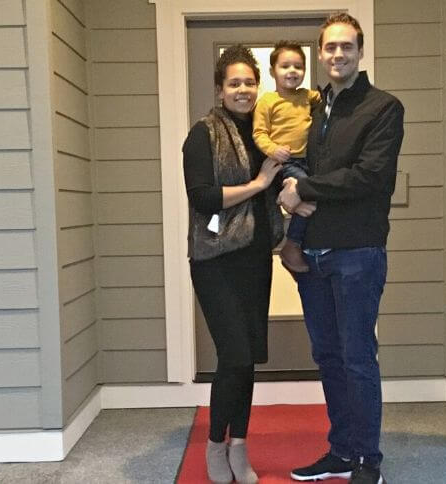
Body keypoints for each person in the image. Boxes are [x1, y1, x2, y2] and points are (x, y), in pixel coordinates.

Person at [279, 13, 404, 484]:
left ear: (360, 50)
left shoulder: (383, 108)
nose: (337, 54)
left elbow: (370, 177)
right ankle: (341, 450)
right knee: (329, 357)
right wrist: (291, 182)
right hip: (314, 256)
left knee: (357, 358)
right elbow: (304, 163)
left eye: (345, 46)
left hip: (358, 253)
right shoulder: (315, 108)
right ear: (321, 52)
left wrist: (305, 189)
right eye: (329, 47)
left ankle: (368, 460)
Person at [182, 44, 314, 484]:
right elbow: (202, 199)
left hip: (256, 257)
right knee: (234, 353)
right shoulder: (203, 134)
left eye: (249, 82)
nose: (243, 89)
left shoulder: (265, 131)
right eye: (234, 83)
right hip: (215, 260)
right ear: (220, 90)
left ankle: (240, 444)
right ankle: (215, 446)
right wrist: (258, 182)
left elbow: (286, 175)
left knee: (248, 357)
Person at [253, 41, 321, 273]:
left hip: (308, 160)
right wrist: (272, 149)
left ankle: (299, 239)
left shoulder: (307, 96)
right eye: (285, 66)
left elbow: (329, 99)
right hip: (285, 162)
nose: (292, 71)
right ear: (273, 71)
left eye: (298, 66)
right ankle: (291, 245)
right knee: (308, 195)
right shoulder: (267, 102)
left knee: (316, 198)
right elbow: (259, 133)